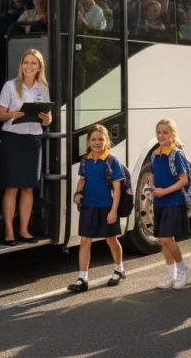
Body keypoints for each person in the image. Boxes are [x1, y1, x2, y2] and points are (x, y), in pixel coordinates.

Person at [0, 49, 53, 245]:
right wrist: (12, 115)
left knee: (28, 188)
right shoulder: (10, 86)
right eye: (26, 62)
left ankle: (24, 230)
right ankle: (9, 231)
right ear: (21, 65)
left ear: (39, 68)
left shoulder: (43, 88)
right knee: (11, 188)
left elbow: (47, 119)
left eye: (33, 63)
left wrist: (47, 119)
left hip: (33, 140)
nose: (29, 66)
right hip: (13, 139)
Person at [68, 124, 126, 293]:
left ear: (107, 140)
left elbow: (117, 188)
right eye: (93, 139)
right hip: (88, 207)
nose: (97, 142)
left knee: (111, 239)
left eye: (101, 139)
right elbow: (82, 179)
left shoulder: (111, 161)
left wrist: (113, 210)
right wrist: (78, 193)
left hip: (106, 207)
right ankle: (82, 278)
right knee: (85, 241)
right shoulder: (86, 160)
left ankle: (119, 269)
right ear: (88, 141)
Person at [149, 118, 191, 290]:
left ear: (173, 135)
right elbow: (152, 173)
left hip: (173, 201)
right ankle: (172, 274)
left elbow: (183, 180)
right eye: (158, 132)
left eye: (165, 132)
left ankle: (183, 269)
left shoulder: (176, 154)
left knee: (167, 237)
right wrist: (151, 188)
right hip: (160, 201)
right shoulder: (155, 153)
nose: (161, 135)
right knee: (164, 240)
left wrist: (164, 191)